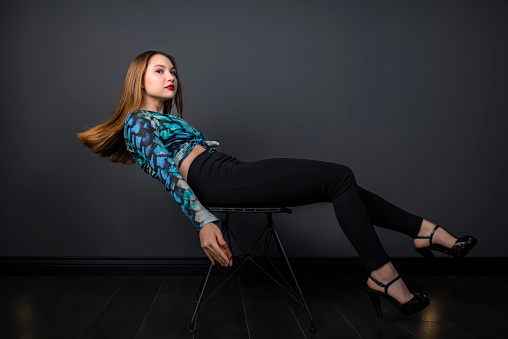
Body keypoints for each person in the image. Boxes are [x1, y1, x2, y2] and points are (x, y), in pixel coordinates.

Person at [78, 50, 477, 317]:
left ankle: (424, 234)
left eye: (173, 70)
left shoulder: (167, 120)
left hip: (229, 171)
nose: (171, 77)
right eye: (160, 70)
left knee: (337, 186)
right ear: (138, 79)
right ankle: (388, 274)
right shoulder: (137, 123)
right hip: (219, 181)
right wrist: (204, 221)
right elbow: (168, 173)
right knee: (339, 175)